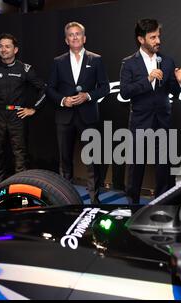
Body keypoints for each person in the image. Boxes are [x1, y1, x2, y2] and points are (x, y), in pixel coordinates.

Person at [120, 18, 181, 204]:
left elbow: (174, 91)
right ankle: (132, 206)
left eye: (158, 36)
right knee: (136, 168)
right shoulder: (129, 63)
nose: (157, 41)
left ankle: (162, 206)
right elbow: (125, 92)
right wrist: (148, 79)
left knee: (163, 168)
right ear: (141, 39)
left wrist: (180, 80)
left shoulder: (167, 61)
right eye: (152, 37)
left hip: (163, 122)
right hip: (140, 123)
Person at [46, 22, 110, 204]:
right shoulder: (58, 62)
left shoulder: (96, 59)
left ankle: (94, 200)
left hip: (88, 116)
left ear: (84, 38)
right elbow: (49, 88)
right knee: (64, 161)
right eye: (71, 35)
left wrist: (88, 96)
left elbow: (105, 88)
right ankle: (65, 200)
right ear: (66, 40)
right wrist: (63, 100)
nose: (74, 37)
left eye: (78, 34)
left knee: (92, 160)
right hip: (64, 117)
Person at [0, 33, 46, 185]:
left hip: (17, 115)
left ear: (15, 50)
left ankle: (20, 187)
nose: (4, 49)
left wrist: (33, 109)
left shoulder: (25, 69)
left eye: (7, 46)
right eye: (1, 46)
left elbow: (43, 89)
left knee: (20, 154)